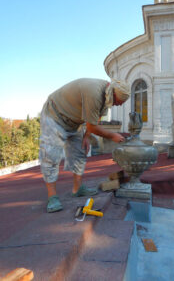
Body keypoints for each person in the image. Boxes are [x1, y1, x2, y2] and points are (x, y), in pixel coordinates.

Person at [39, 78, 130, 213]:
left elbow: (96, 119)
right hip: (55, 116)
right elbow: (93, 127)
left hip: (74, 122)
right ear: (114, 95)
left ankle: (78, 189)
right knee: (50, 156)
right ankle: (52, 197)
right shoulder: (94, 93)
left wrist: (86, 137)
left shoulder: (107, 95)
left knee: (80, 151)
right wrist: (112, 135)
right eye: (119, 102)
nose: (119, 105)